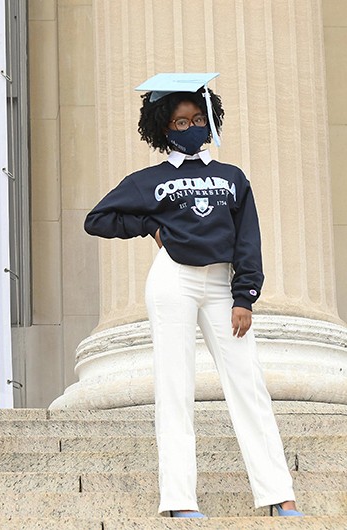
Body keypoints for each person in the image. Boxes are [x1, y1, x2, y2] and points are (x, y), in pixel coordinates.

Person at [84, 73, 302, 518]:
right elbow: (97, 218)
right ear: (165, 127)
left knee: (248, 385)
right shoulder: (149, 180)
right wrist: (149, 226)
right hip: (173, 282)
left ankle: (279, 494)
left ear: (211, 122)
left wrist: (245, 296)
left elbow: (248, 240)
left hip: (223, 285)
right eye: (181, 123)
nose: (191, 128)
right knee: (175, 386)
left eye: (198, 119)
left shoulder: (232, 176)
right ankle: (179, 499)